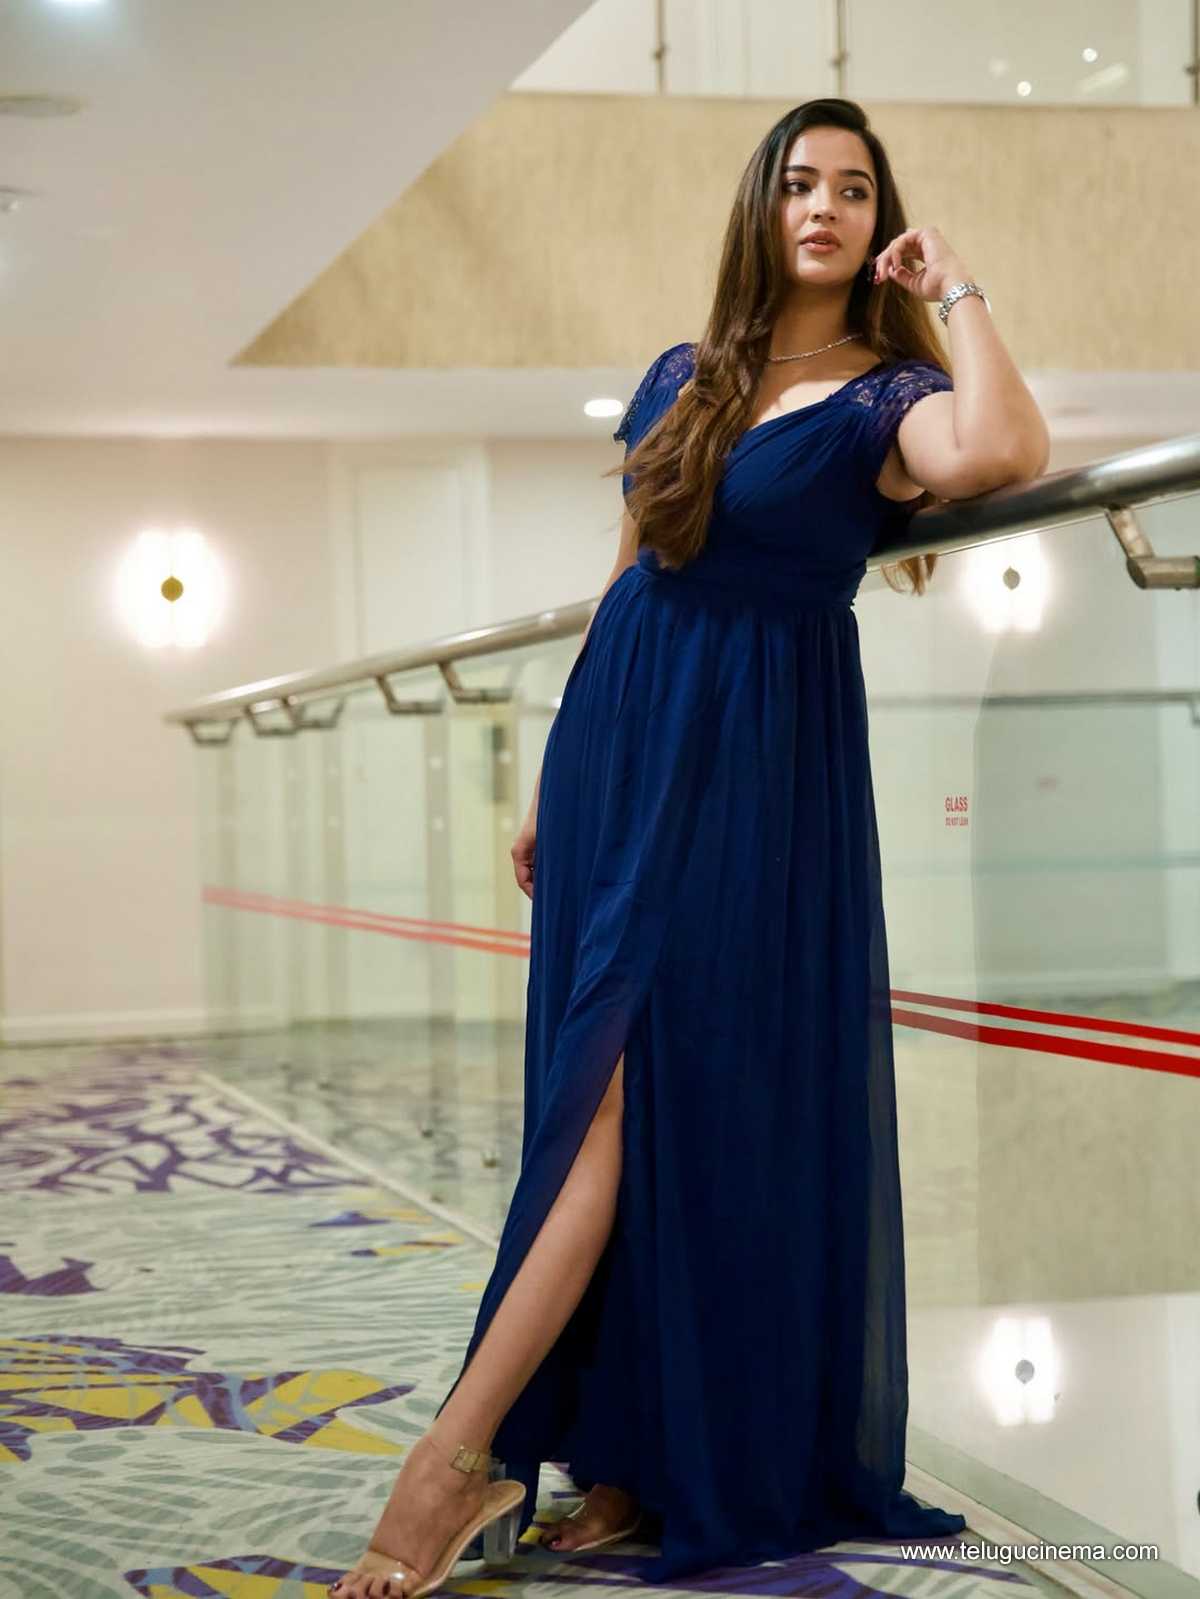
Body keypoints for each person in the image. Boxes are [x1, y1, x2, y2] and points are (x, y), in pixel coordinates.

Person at [332, 96, 1048, 1599]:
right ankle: (625, 1461)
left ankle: (458, 1461)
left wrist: (958, 284)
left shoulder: (891, 396)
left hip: (753, 771)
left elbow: (1002, 448)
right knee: (607, 1100)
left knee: (661, 1097)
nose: (825, 207)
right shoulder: (686, 373)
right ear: (761, 207)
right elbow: (626, 578)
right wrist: (554, 766)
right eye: (800, 182)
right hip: (618, 749)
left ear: (881, 222)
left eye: (855, 189)